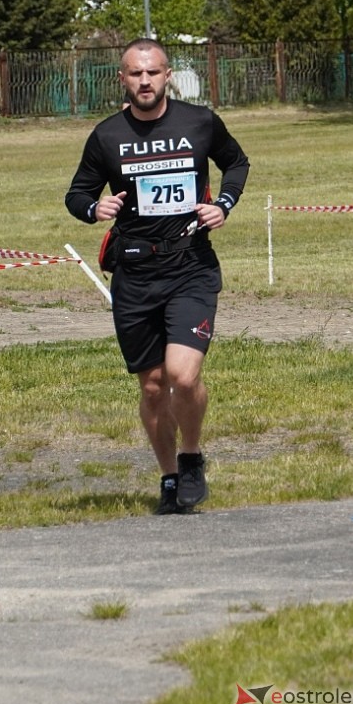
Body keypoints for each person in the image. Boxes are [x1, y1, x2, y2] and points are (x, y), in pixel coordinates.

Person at [66, 38, 250, 514]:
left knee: (182, 378)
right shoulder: (107, 136)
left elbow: (237, 162)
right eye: (134, 74)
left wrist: (223, 204)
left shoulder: (199, 122)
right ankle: (170, 477)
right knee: (151, 384)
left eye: (152, 73)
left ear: (168, 75)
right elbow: (77, 193)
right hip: (134, 272)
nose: (144, 81)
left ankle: (191, 458)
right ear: (122, 80)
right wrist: (93, 207)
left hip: (190, 266)